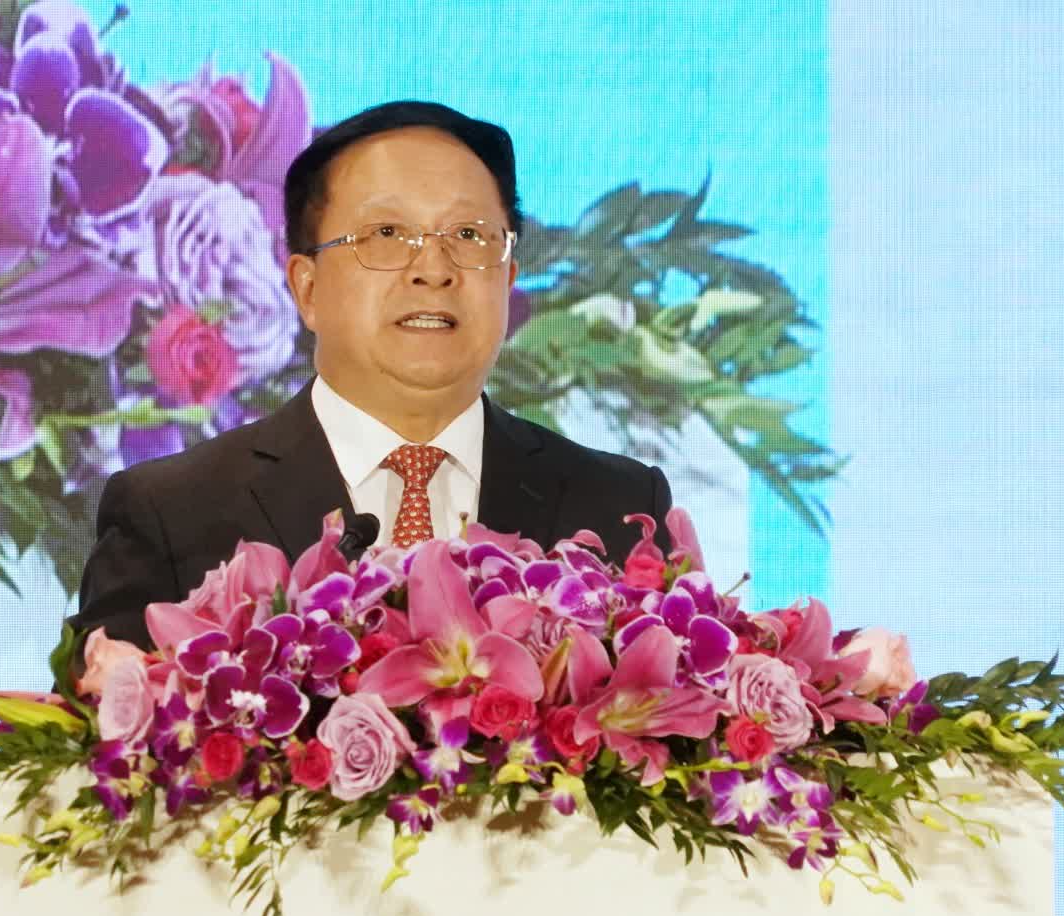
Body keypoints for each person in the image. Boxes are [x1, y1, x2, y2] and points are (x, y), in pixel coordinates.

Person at [74, 101, 673, 648]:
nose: (433, 268)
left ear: (508, 279)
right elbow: (108, 727)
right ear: (307, 288)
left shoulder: (620, 506)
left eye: (469, 235)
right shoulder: (171, 513)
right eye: (386, 234)